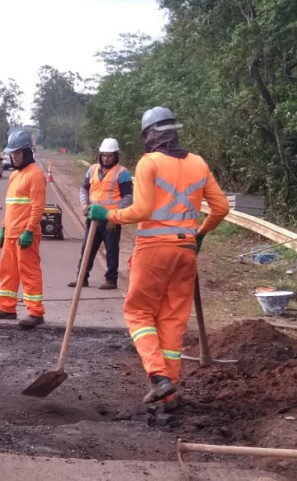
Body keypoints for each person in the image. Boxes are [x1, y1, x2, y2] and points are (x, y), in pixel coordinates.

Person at [88, 107, 229, 407]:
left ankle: (157, 376)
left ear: (149, 136)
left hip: (153, 249)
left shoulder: (148, 163)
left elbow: (142, 211)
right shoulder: (199, 163)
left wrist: (107, 213)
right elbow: (221, 209)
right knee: (173, 321)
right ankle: (170, 396)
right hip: (185, 252)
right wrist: (199, 235)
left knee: (139, 313)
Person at [0, 130, 46, 329]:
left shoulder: (35, 175)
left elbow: (38, 207)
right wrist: (3, 228)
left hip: (25, 235)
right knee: (7, 273)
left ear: (27, 152)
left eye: (18, 153)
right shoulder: (14, 176)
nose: (14, 156)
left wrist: (29, 230)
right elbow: (10, 205)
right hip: (11, 234)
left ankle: (35, 312)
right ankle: (7, 308)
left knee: (29, 273)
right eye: (12, 153)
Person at [67, 138, 133, 290]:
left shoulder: (122, 173)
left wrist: (115, 217)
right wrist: (85, 205)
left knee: (111, 250)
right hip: (93, 218)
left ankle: (111, 280)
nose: (106, 158)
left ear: (115, 156)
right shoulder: (92, 170)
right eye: (103, 155)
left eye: (109, 156)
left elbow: (128, 197)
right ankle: (82, 278)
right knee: (87, 249)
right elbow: (84, 189)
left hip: (111, 219)